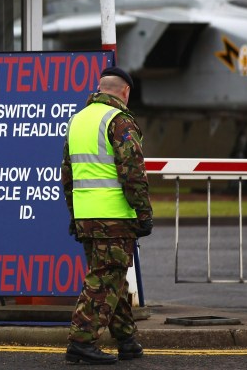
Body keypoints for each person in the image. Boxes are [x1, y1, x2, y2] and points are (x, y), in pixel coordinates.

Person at [62, 66, 153, 365]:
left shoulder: (78, 121)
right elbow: (133, 172)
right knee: (105, 279)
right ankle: (81, 341)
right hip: (114, 216)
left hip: (87, 215)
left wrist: (75, 215)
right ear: (125, 92)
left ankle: (126, 339)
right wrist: (143, 212)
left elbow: (67, 176)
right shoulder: (119, 121)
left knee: (114, 279)